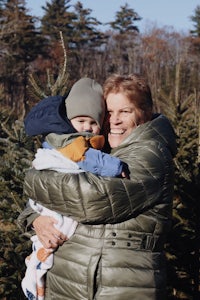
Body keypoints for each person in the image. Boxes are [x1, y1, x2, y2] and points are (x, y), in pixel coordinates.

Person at [18, 73, 177, 300]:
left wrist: (32, 177)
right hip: (69, 282)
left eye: (125, 111)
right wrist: (35, 218)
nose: (114, 120)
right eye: (109, 113)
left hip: (120, 286)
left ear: (145, 112)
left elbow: (92, 199)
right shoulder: (100, 150)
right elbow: (49, 201)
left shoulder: (151, 154)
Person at [21, 78, 129, 300]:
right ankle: (37, 269)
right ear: (69, 121)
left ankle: (38, 271)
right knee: (58, 229)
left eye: (93, 123)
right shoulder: (72, 142)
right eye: (81, 121)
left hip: (81, 270)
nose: (87, 128)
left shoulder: (96, 142)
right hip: (56, 215)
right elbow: (89, 160)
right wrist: (118, 167)